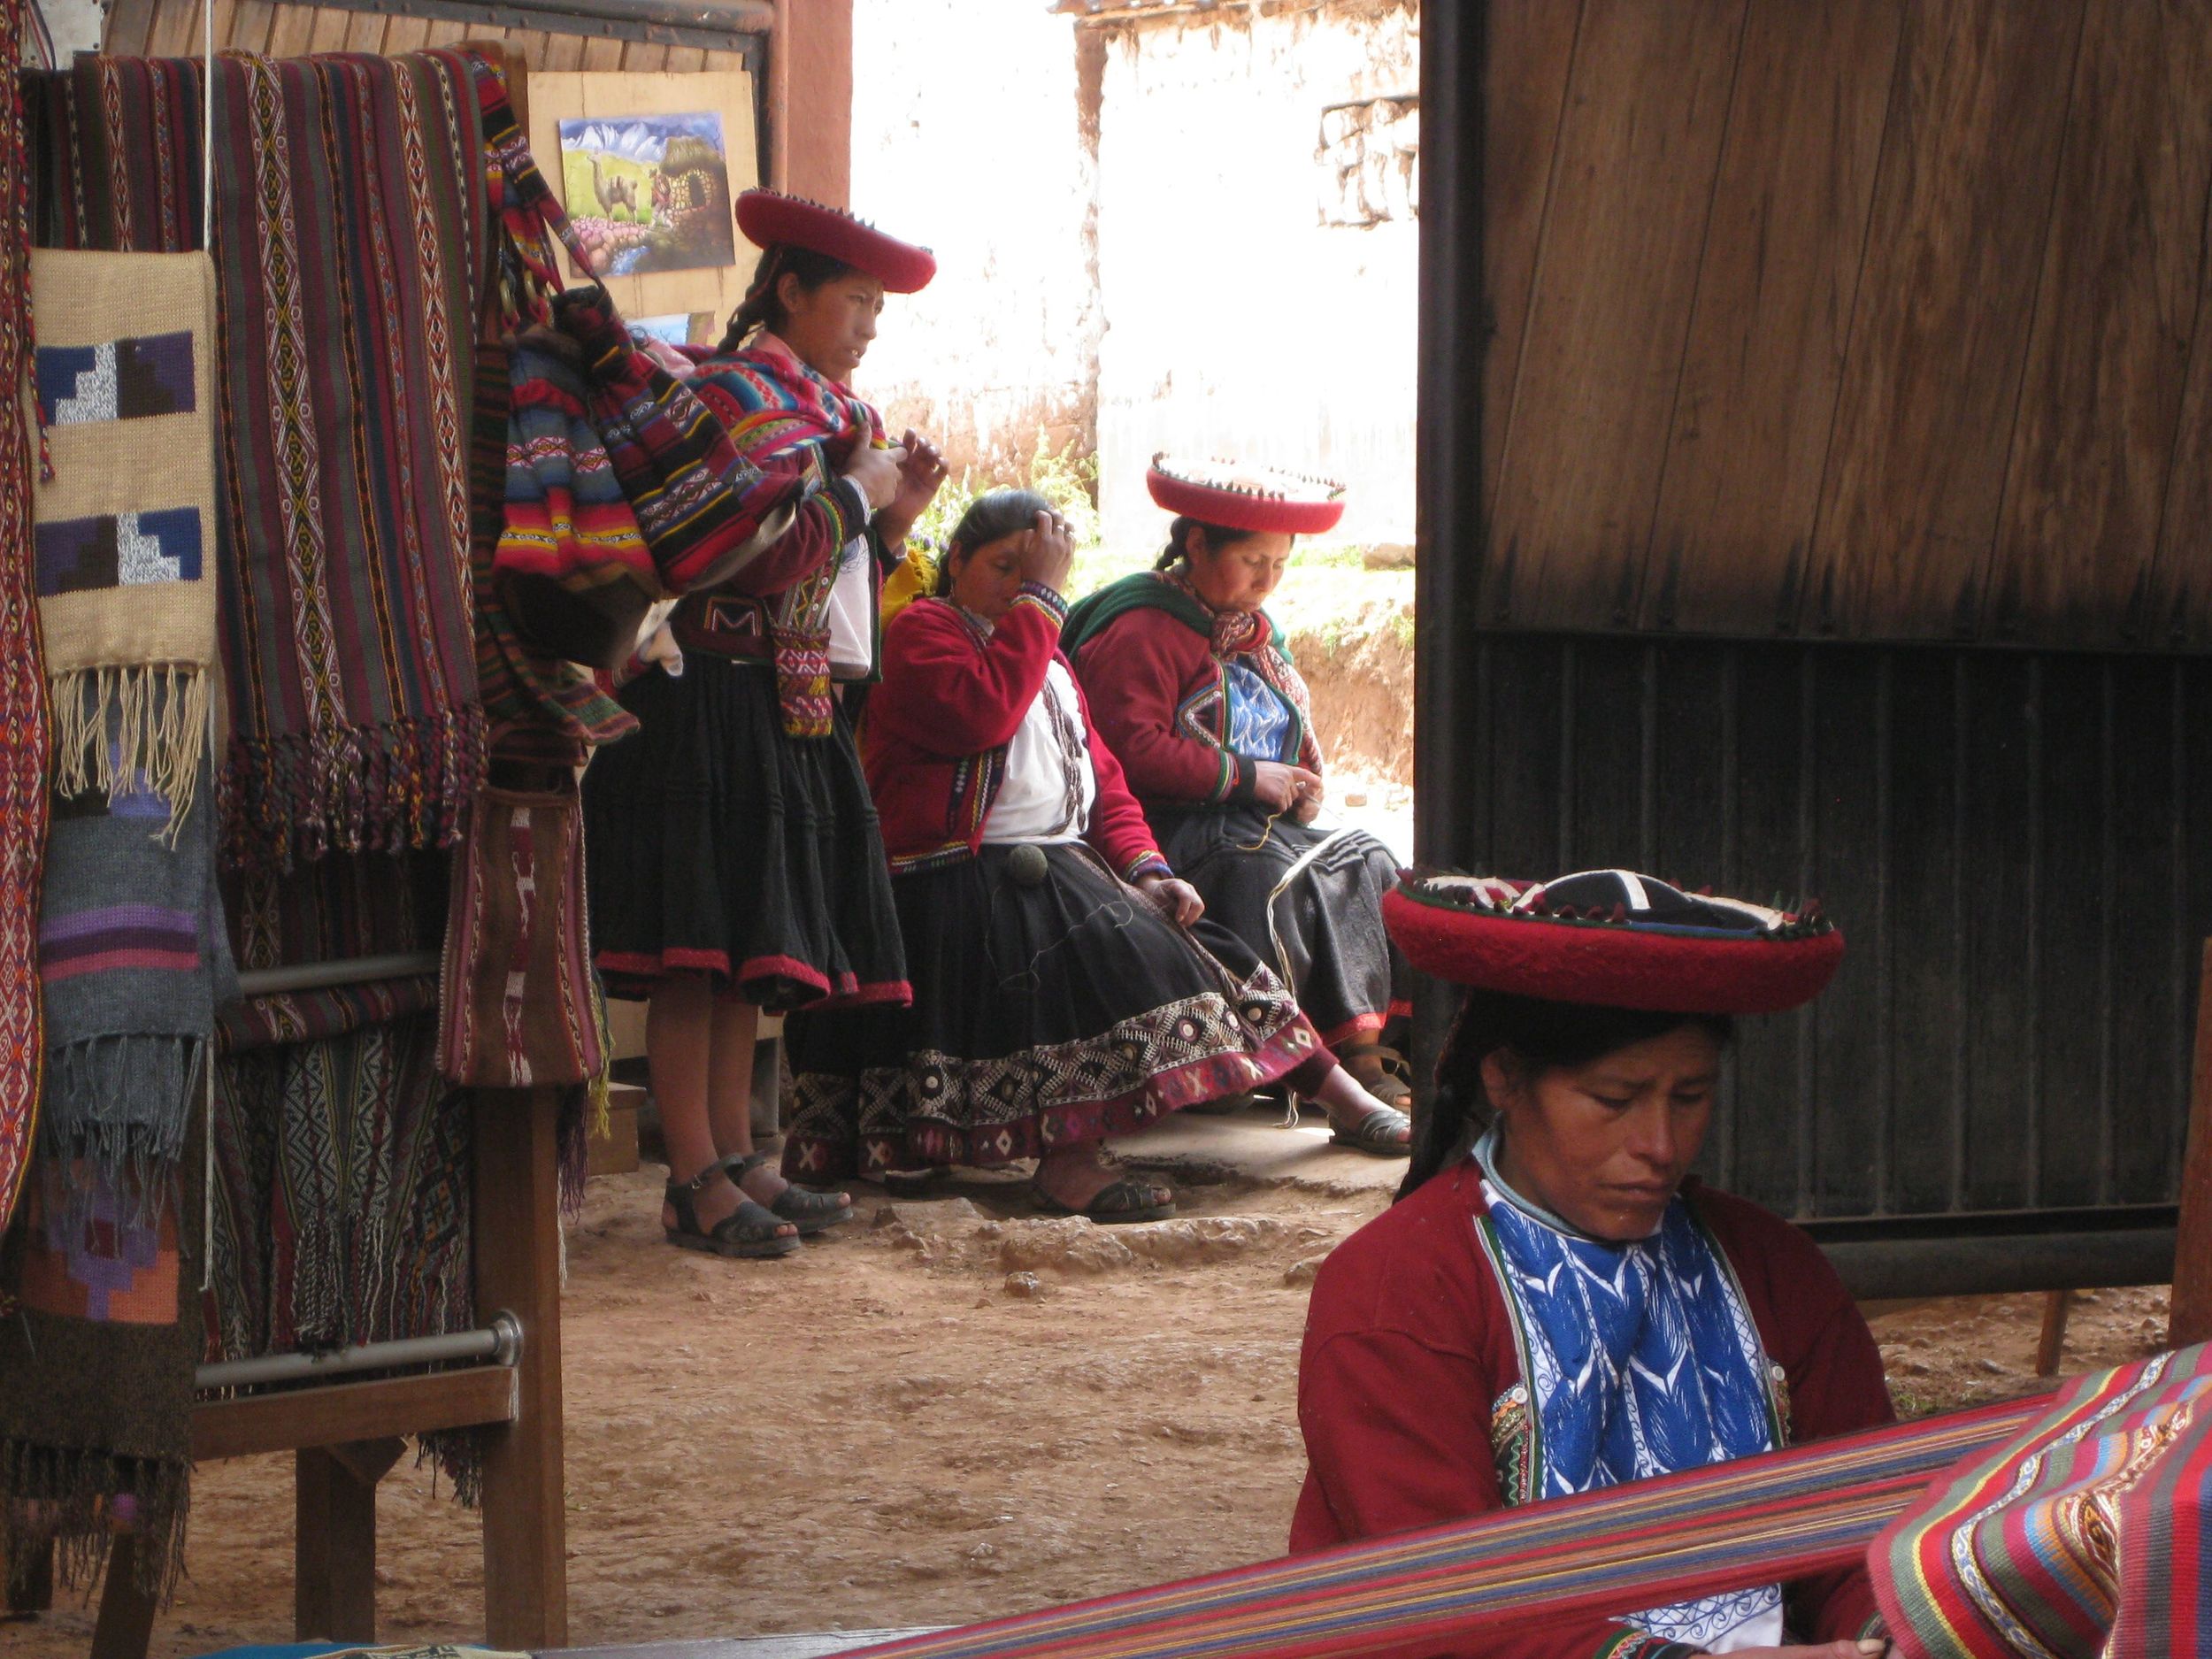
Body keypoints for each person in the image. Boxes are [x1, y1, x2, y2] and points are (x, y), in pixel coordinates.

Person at [1293, 869, 1892, 1658]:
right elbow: (1448, 1601)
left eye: (1690, 1096)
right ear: (1504, 1075)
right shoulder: (1398, 1291)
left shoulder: (1775, 1269)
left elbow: (1863, 1525)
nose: (1660, 1146)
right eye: (1614, 1099)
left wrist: (1880, 1631)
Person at [781, 489, 1412, 1219]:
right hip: (949, 875)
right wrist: (1043, 604)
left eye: (1037, 573)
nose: (1020, 589)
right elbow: (983, 712)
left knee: (1209, 947)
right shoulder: (924, 634)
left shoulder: (1045, 656)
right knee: (1094, 958)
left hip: (1054, 863)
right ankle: (1069, 1160)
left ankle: (1342, 1092)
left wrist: (1149, 867)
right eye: (1004, 566)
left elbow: (1103, 780)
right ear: (956, 560)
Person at [581, 190, 947, 1259]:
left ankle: (745, 1160)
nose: (871, 325)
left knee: (751, 946)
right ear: (790, 290)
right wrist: (858, 491)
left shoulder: (836, 418)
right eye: (856, 300)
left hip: (780, 701)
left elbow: (828, 581)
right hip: (705, 698)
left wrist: (894, 514)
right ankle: (690, 1175)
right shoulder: (739, 396)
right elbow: (753, 551)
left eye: (879, 306)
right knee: (700, 952)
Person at [1064, 456, 1413, 1136]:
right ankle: (1251, 1057)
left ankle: (1361, 1053)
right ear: (1196, 544)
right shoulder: (1141, 626)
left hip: (1248, 818)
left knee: (1366, 858)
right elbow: (1126, 748)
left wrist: (1296, 786)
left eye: (1279, 564)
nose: (1267, 580)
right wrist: (1248, 778)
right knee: (1262, 877)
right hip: (1164, 829)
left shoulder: (1255, 636)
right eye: (1253, 559)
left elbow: (1285, 733)